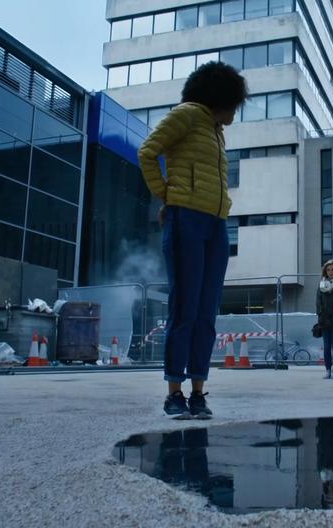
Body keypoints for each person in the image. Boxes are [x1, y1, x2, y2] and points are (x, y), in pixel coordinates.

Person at [138, 62, 248, 419]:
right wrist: (166, 195)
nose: (235, 111)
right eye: (233, 104)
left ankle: (198, 391)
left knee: (206, 311)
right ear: (221, 98)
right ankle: (174, 393)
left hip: (216, 224)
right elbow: (147, 152)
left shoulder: (216, 130)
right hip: (186, 218)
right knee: (184, 308)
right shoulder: (186, 115)